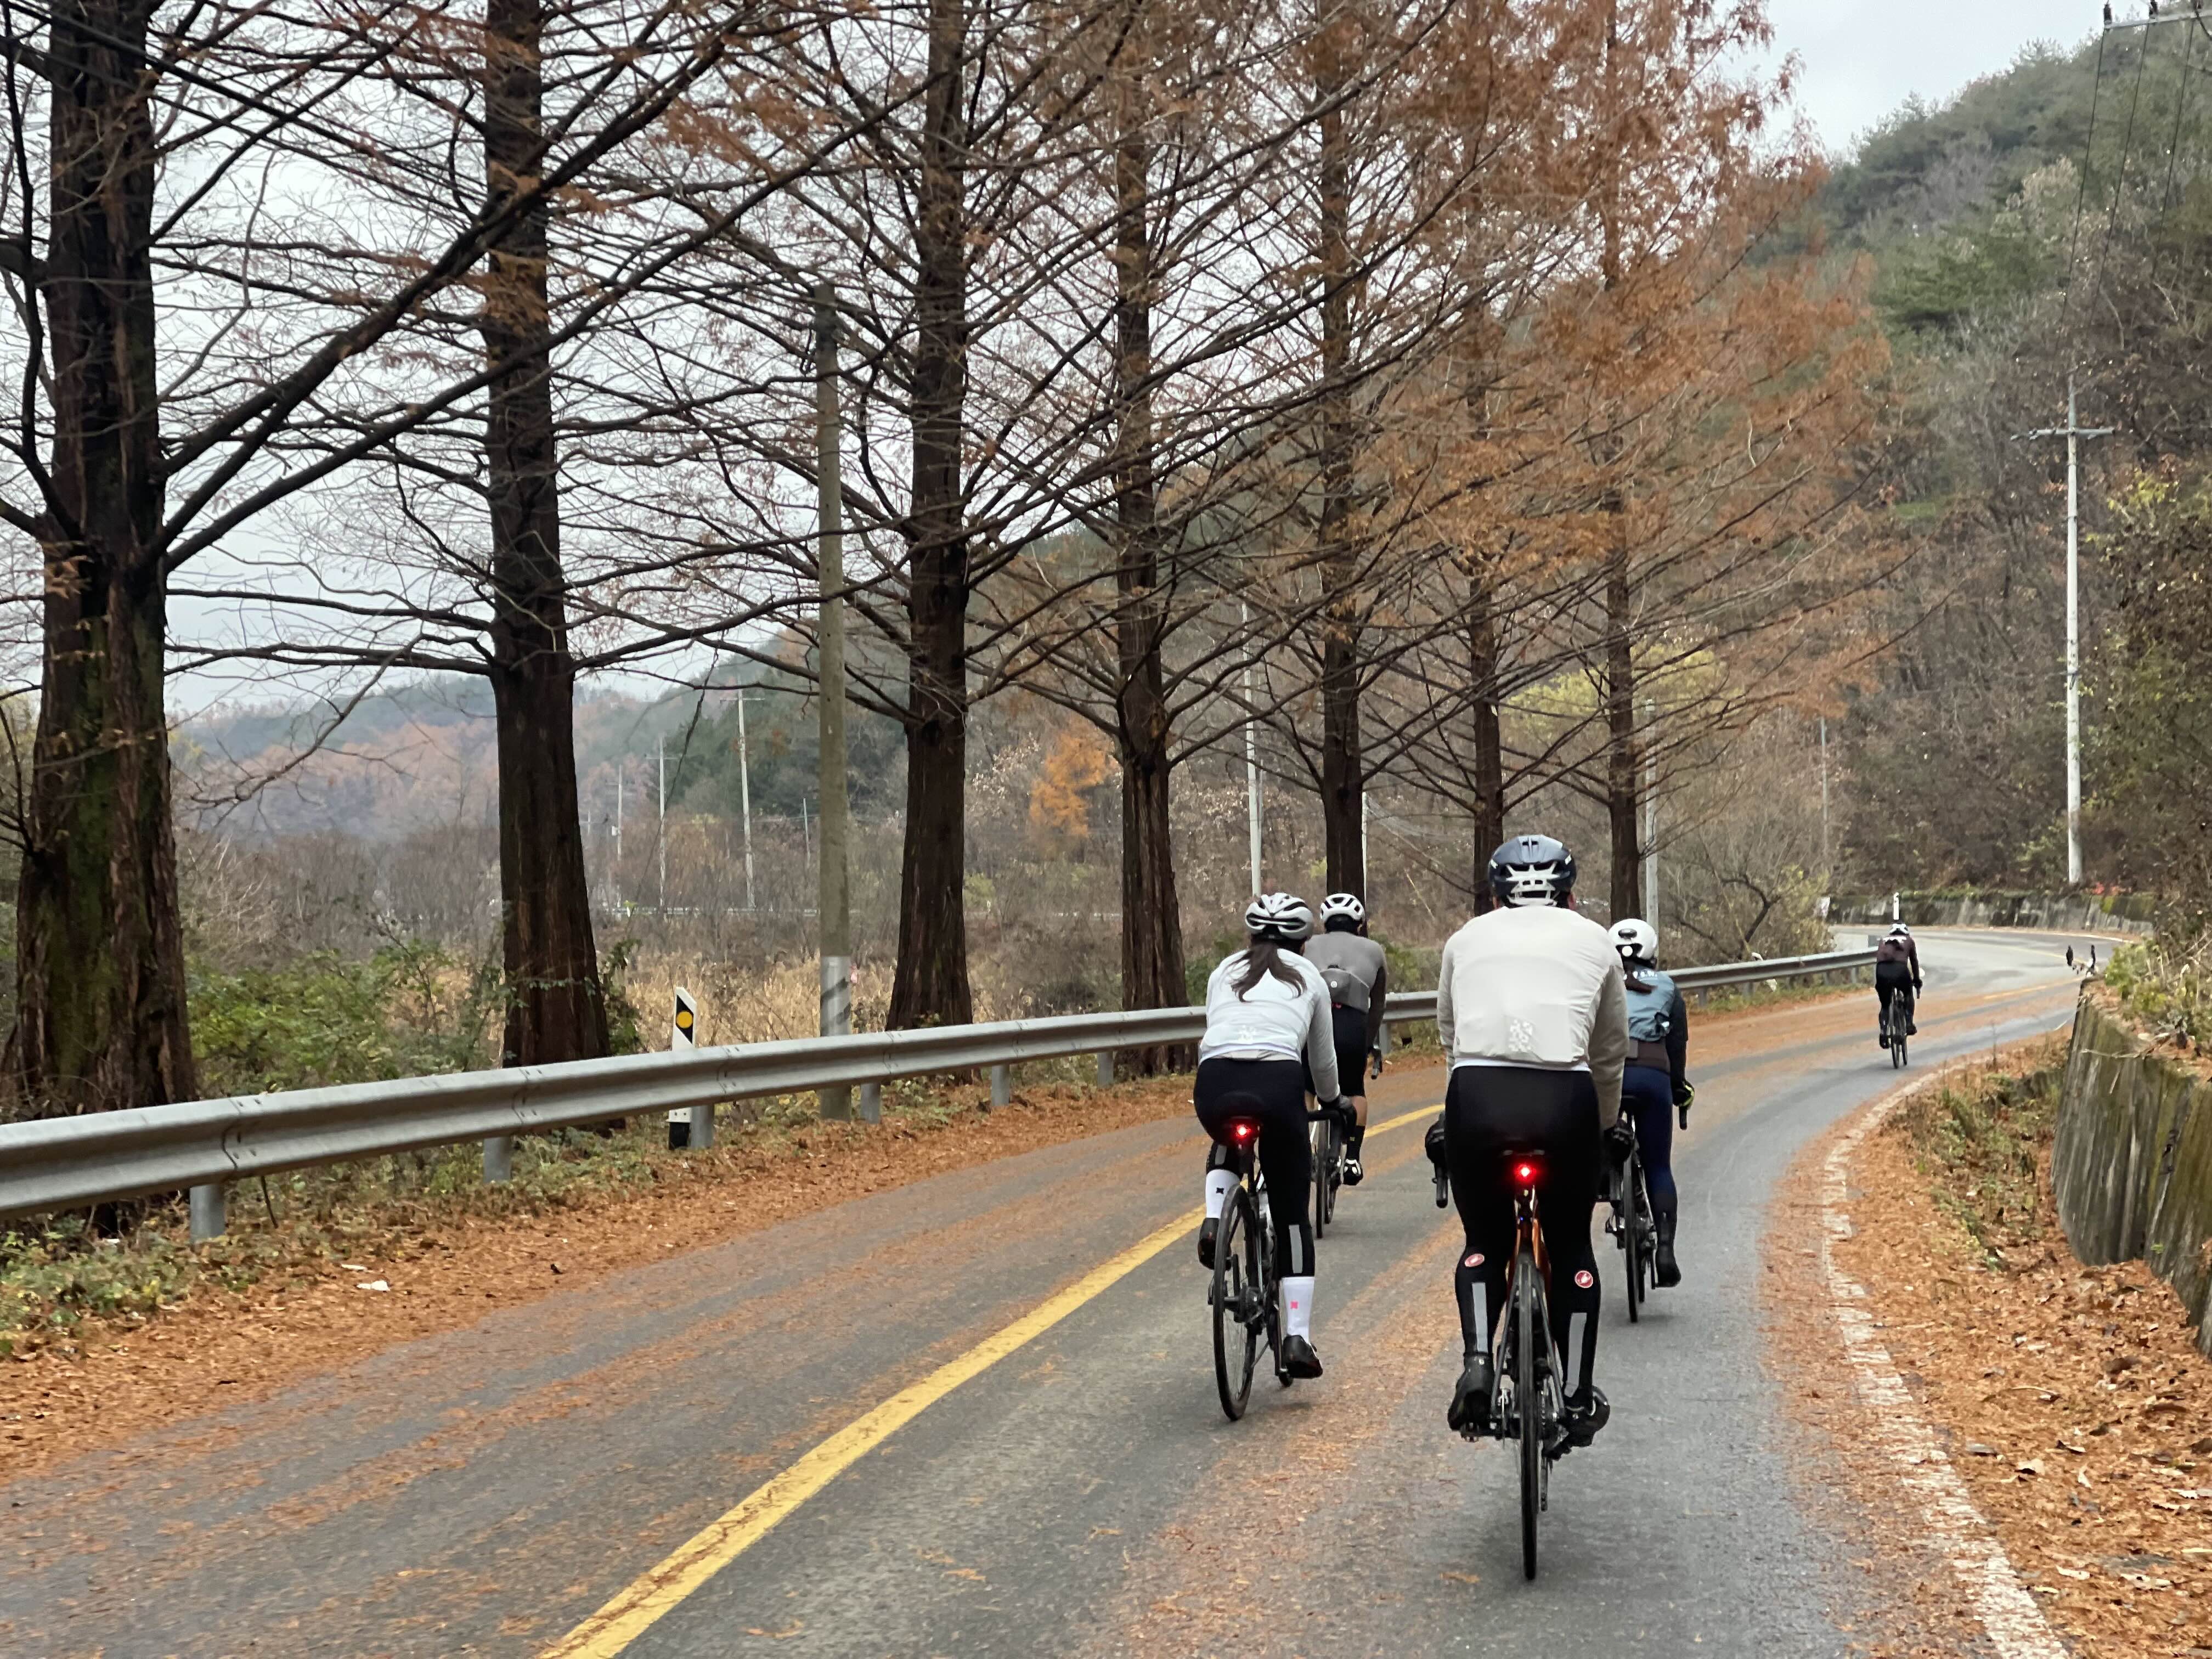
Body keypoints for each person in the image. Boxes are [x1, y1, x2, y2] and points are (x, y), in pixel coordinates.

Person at [1435, 833, 1629, 1451]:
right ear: (1569, 895)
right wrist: (1603, 1126)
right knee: (1571, 1246)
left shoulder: (1464, 940)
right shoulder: (1596, 941)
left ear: (1496, 897)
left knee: (1484, 1241)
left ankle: (1477, 1360)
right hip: (1563, 1099)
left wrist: (1460, 1107)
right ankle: (1575, 1394)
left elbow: (1451, 1035)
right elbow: (1610, 1051)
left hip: (1478, 1096)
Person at [1194, 891, 1346, 1381]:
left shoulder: (1225, 970)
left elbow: (1217, 1029)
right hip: (1278, 1083)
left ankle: (1215, 1220)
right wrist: (1333, 1101)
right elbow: (1322, 1061)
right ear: (1303, 942)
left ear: (1251, 935)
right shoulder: (1309, 978)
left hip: (1215, 1080)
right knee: (1292, 1216)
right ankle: (1297, 1336)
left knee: (1228, 1133)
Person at [1607, 918, 1691, 1288]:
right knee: (1658, 1166)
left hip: (1607, 1075)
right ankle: (1666, 1250)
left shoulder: (1597, 981)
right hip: (1653, 1074)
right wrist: (1677, 1087)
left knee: (1592, 1157)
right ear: (1653, 952)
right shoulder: (1668, 986)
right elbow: (1677, 1045)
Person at [1305, 893, 1389, 1186]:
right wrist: (1367, 1042)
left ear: (1324, 922)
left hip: (1315, 1021)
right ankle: (1352, 1157)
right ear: (1359, 924)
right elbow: (1378, 1006)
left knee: (1306, 1086)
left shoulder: (1307, 945)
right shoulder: (1374, 950)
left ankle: (1303, 1150)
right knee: (1355, 1090)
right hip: (1352, 1024)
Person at [1876, 922, 1922, 1048]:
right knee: (1908, 993)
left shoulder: (1884, 940)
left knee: (1885, 1005)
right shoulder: (1909, 940)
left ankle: (1883, 1032)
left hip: (1881, 971)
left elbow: (1879, 959)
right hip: (1900, 970)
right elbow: (1914, 961)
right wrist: (1916, 980)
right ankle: (1909, 1023)